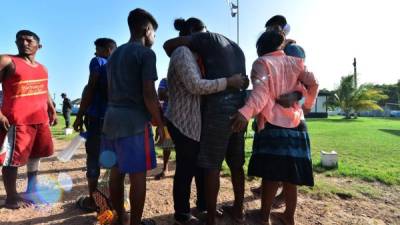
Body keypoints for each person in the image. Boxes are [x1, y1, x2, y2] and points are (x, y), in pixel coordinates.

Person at [231, 27, 319, 225]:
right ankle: (289, 216)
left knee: (271, 175)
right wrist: (306, 104)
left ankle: (264, 217)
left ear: (260, 48)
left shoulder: (262, 63)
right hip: (297, 125)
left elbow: (260, 94)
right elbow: (314, 83)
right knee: (291, 176)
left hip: (274, 125)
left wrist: (244, 113)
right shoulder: (296, 62)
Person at [164, 22, 248, 225]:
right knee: (188, 166)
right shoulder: (183, 52)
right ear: (192, 35)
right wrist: (229, 82)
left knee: (205, 165)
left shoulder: (199, 51)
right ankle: (183, 214)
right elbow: (195, 86)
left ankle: (205, 208)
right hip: (184, 121)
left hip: (204, 117)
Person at [101, 8, 164, 225]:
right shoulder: (146, 54)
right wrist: (161, 124)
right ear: (146, 30)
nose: (154, 38)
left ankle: (120, 218)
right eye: (154, 33)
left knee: (116, 173)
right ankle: (135, 222)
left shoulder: (114, 55)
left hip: (111, 121)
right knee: (138, 177)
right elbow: (149, 94)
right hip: (135, 123)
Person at [250, 15, 307, 207]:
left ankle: (281, 197)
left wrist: (295, 96)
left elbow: (303, 80)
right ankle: (268, 191)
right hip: (270, 114)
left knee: (281, 164)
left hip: (286, 116)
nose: (269, 31)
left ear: (281, 28)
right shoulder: (274, 50)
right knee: (271, 162)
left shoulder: (292, 49)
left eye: (272, 28)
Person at [0, 30, 57, 209]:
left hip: (39, 119)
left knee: (37, 153)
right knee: (12, 159)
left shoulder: (42, 67)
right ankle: (11, 197)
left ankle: (31, 189)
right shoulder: (7, 60)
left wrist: (52, 109)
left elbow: (44, 88)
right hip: (17, 120)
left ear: (38, 45)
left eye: (28, 40)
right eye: (20, 40)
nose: (24, 43)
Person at [73, 38, 117, 212]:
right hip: (116, 119)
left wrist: (80, 115)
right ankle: (112, 200)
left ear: (106, 50)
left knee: (93, 158)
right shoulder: (121, 66)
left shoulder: (98, 61)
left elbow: (91, 87)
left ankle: (94, 201)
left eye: (97, 49)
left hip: (98, 118)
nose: (95, 53)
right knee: (115, 161)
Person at [154, 78, 174, 180]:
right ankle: (165, 168)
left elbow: (164, 94)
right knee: (167, 145)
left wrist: (169, 93)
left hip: (182, 118)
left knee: (183, 146)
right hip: (167, 118)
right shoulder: (165, 80)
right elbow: (161, 94)